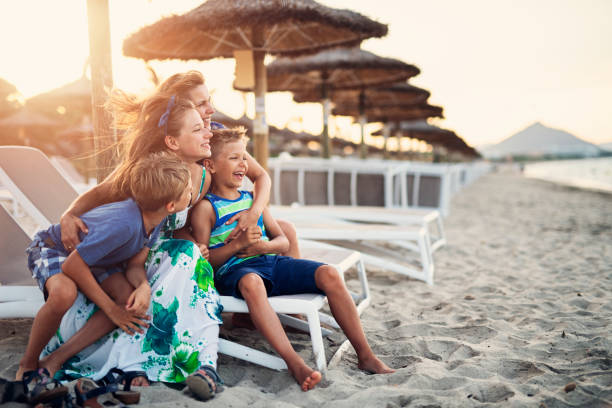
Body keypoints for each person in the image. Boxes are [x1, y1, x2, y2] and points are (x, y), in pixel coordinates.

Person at [38, 90, 223, 401]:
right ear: (172, 142)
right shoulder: (144, 173)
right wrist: (69, 215)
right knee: (183, 262)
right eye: (198, 127)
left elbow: (176, 227)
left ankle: (203, 364)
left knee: (189, 260)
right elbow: (97, 195)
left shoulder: (201, 173)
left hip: (145, 253)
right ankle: (135, 364)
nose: (209, 129)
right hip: (115, 254)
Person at [191, 127, 395, 392]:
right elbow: (206, 262)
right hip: (235, 274)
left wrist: (262, 246)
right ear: (211, 165)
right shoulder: (206, 208)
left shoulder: (253, 200)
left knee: (329, 273)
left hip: (270, 262)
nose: (243, 164)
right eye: (234, 158)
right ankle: (294, 362)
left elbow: (283, 241)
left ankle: (365, 355)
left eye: (244, 157)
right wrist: (238, 245)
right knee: (252, 283)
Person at [17, 150, 191, 398]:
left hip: (97, 258)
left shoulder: (157, 218)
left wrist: (143, 287)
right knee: (64, 294)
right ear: (171, 205)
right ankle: (28, 361)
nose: (191, 193)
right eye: (189, 190)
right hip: (56, 249)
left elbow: (134, 264)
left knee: (128, 301)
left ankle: (56, 359)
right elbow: (72, 265)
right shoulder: (124, 223)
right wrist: (110, 309)